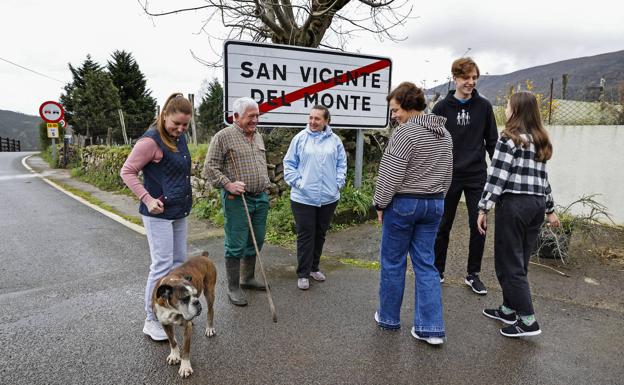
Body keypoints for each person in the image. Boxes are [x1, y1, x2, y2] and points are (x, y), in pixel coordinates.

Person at [373, 82, 453, 345]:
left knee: (393, 262)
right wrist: (438, 199)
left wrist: (380, 204)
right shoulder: (445, 134)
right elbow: (449, 174)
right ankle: (430, 329)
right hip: (435, 203)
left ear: (409, 106)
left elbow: (390, 174)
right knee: (426, 265)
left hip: (405, 204)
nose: (393, 115)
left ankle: (388, 318)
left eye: (396, 110)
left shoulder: (405, 134)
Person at [477, 91, 560, 337]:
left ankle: (528, 320)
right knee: (519, 260)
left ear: (517, 110)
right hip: (535, 206)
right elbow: (543, 180)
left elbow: (497, 177)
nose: (505, 109)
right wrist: (550, 209)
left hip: (514, 206)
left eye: (508, 106)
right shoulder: (539, 139)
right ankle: (508, 309)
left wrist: (483, 206)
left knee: (508, 263)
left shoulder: (509, 138)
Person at [120, 92, 193, 341]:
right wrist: (147, 199)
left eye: (185, 125)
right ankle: (151, 319)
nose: (180, 129)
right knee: (161, 265)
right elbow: (127, 171)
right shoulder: (150, 141)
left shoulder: (179, 138)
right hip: (158, 214)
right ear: (164, 116)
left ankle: (170, 310)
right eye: (176, 124)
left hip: (179, 210)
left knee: (178, 263)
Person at [432, 57, 498, 295]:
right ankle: (437, 271)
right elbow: (432, 142)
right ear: (455, 78)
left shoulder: (484, 106)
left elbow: (492, 142)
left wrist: (498, 174)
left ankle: (473, 274)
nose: (471, 82)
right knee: (442, 225)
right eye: (466, 78)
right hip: (448, 175)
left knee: (479, 225)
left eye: (474, 78)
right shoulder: (441, 108)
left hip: (476, 176)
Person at [203, 97, 270, 306]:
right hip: (237, 200)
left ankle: (247, 278)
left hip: (260, 198)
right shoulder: (223, 137)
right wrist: (228, 184)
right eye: (251, 116)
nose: (256, 120)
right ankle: (233, 287)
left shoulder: (258, 137)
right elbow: (210, 167)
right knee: (236, 244)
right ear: (236, 117)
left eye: (257, 116)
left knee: (256, 240)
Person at [283, 105, 347, 290]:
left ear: (326, 121)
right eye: (310, 117)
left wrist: (338, 182)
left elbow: (341, 163)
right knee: (305, 235)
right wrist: (299, 183)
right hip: (303, 198)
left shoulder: (335, 141)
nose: (312, 122)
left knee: (320, 234)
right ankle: (303, 273)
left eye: (317, 119)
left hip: (328, 197)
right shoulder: (300, 139)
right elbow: (289, 164)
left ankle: (314, 268)